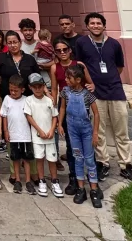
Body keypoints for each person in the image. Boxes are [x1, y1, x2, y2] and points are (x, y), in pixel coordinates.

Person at [73, 12, 132, 182]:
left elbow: (119, 67)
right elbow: (80, 65)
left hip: (115, 91)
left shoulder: (114, 44)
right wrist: (91, 82)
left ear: (104, 25)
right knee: (98, 130)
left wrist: (109, 78)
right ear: (87, 26)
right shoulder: (82, 43)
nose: (95, 26)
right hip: (95, 93)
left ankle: (125, 164)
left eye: (98, 23)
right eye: (92, 23)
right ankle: (103, 162)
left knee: (121, 129)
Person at [52, 37, 94, 195]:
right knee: (71, 146)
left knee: (87, 145)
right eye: (58, 50)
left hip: (82, 108)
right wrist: (54, 109)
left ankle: (91, 178)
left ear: (70, 50)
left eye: (65, 49)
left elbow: (90, 83)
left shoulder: (79, 65)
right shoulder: (54, 68)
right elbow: (55, 89)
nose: (62, 53)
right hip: (66, 108)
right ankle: (74, 177)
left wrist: (91, 90)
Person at [58, 64, 102, 207]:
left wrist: (95, 133)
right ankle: (81, 188)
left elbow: (96, 113)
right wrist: (59, 123)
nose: (66, 80)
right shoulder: (65, 92)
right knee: (77, 158)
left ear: (78, 79)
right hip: (72, 131)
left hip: (86, 131)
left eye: (69, 78)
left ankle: (94, 190)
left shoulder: (87, 95)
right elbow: (63, 107)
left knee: (89, 159)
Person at [24, 73, 63, 198]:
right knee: (39, 159)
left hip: (50, 136)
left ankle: (55, 181)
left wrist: (52, 130)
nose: (37, 89)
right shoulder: (29, 100)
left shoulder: (49, 100)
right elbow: (29, 117)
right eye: (34, 86)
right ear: (30, 87)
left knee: (52, 159)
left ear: (43, 86)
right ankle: (41, 181)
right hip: (37, 136)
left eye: (40, 86)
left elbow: (54, 116)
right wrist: (39, 130)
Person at [0, 74, 33, 194]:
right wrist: (6, 132)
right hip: (13, 135)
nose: (13, 92)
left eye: (16, 90)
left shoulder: (26, 100)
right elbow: (4, 116)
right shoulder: (7, 99)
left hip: (25, 135)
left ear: (22, 90)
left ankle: (28, 181)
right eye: (11, 90)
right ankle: (18, 180)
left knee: (27, 159)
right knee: (15, 158)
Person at [0, 31, 42, 98]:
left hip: (28, 97)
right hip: (7, 98)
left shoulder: (29, 59)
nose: (13, 45)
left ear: (20, 43)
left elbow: (38, 77)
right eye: (9, 43)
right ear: (6, 44)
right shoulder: (1, 57)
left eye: (15, 42)